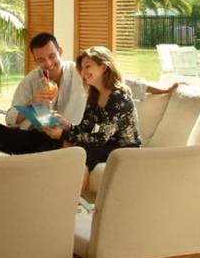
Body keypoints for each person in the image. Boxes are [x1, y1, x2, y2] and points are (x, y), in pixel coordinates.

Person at [0, 32, 177, 155]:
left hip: (67, 138)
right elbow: (10, 118)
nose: (48, 64)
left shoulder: (81, 73)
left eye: (52, 56)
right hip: (41, 135)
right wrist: (32, 104)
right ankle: (38, 154)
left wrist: (163, 89)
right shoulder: (31, 81)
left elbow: (123, 83)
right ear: (36, 60)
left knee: (49, 145)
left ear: (60, 51)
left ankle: (38, 156)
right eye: (41, 60)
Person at [42, 46, 141, 189]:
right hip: (108, 145)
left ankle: (72, 198)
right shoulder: (94, 96)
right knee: (68, 145)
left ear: (103, 67)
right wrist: (67, 126)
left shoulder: (118, 97)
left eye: (88, 66)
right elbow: (84, 129)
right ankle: (60, 192)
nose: (83, 72)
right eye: (82, 68)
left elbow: (101, 137)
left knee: (82, 151)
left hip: (126, 149)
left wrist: (63, 134)